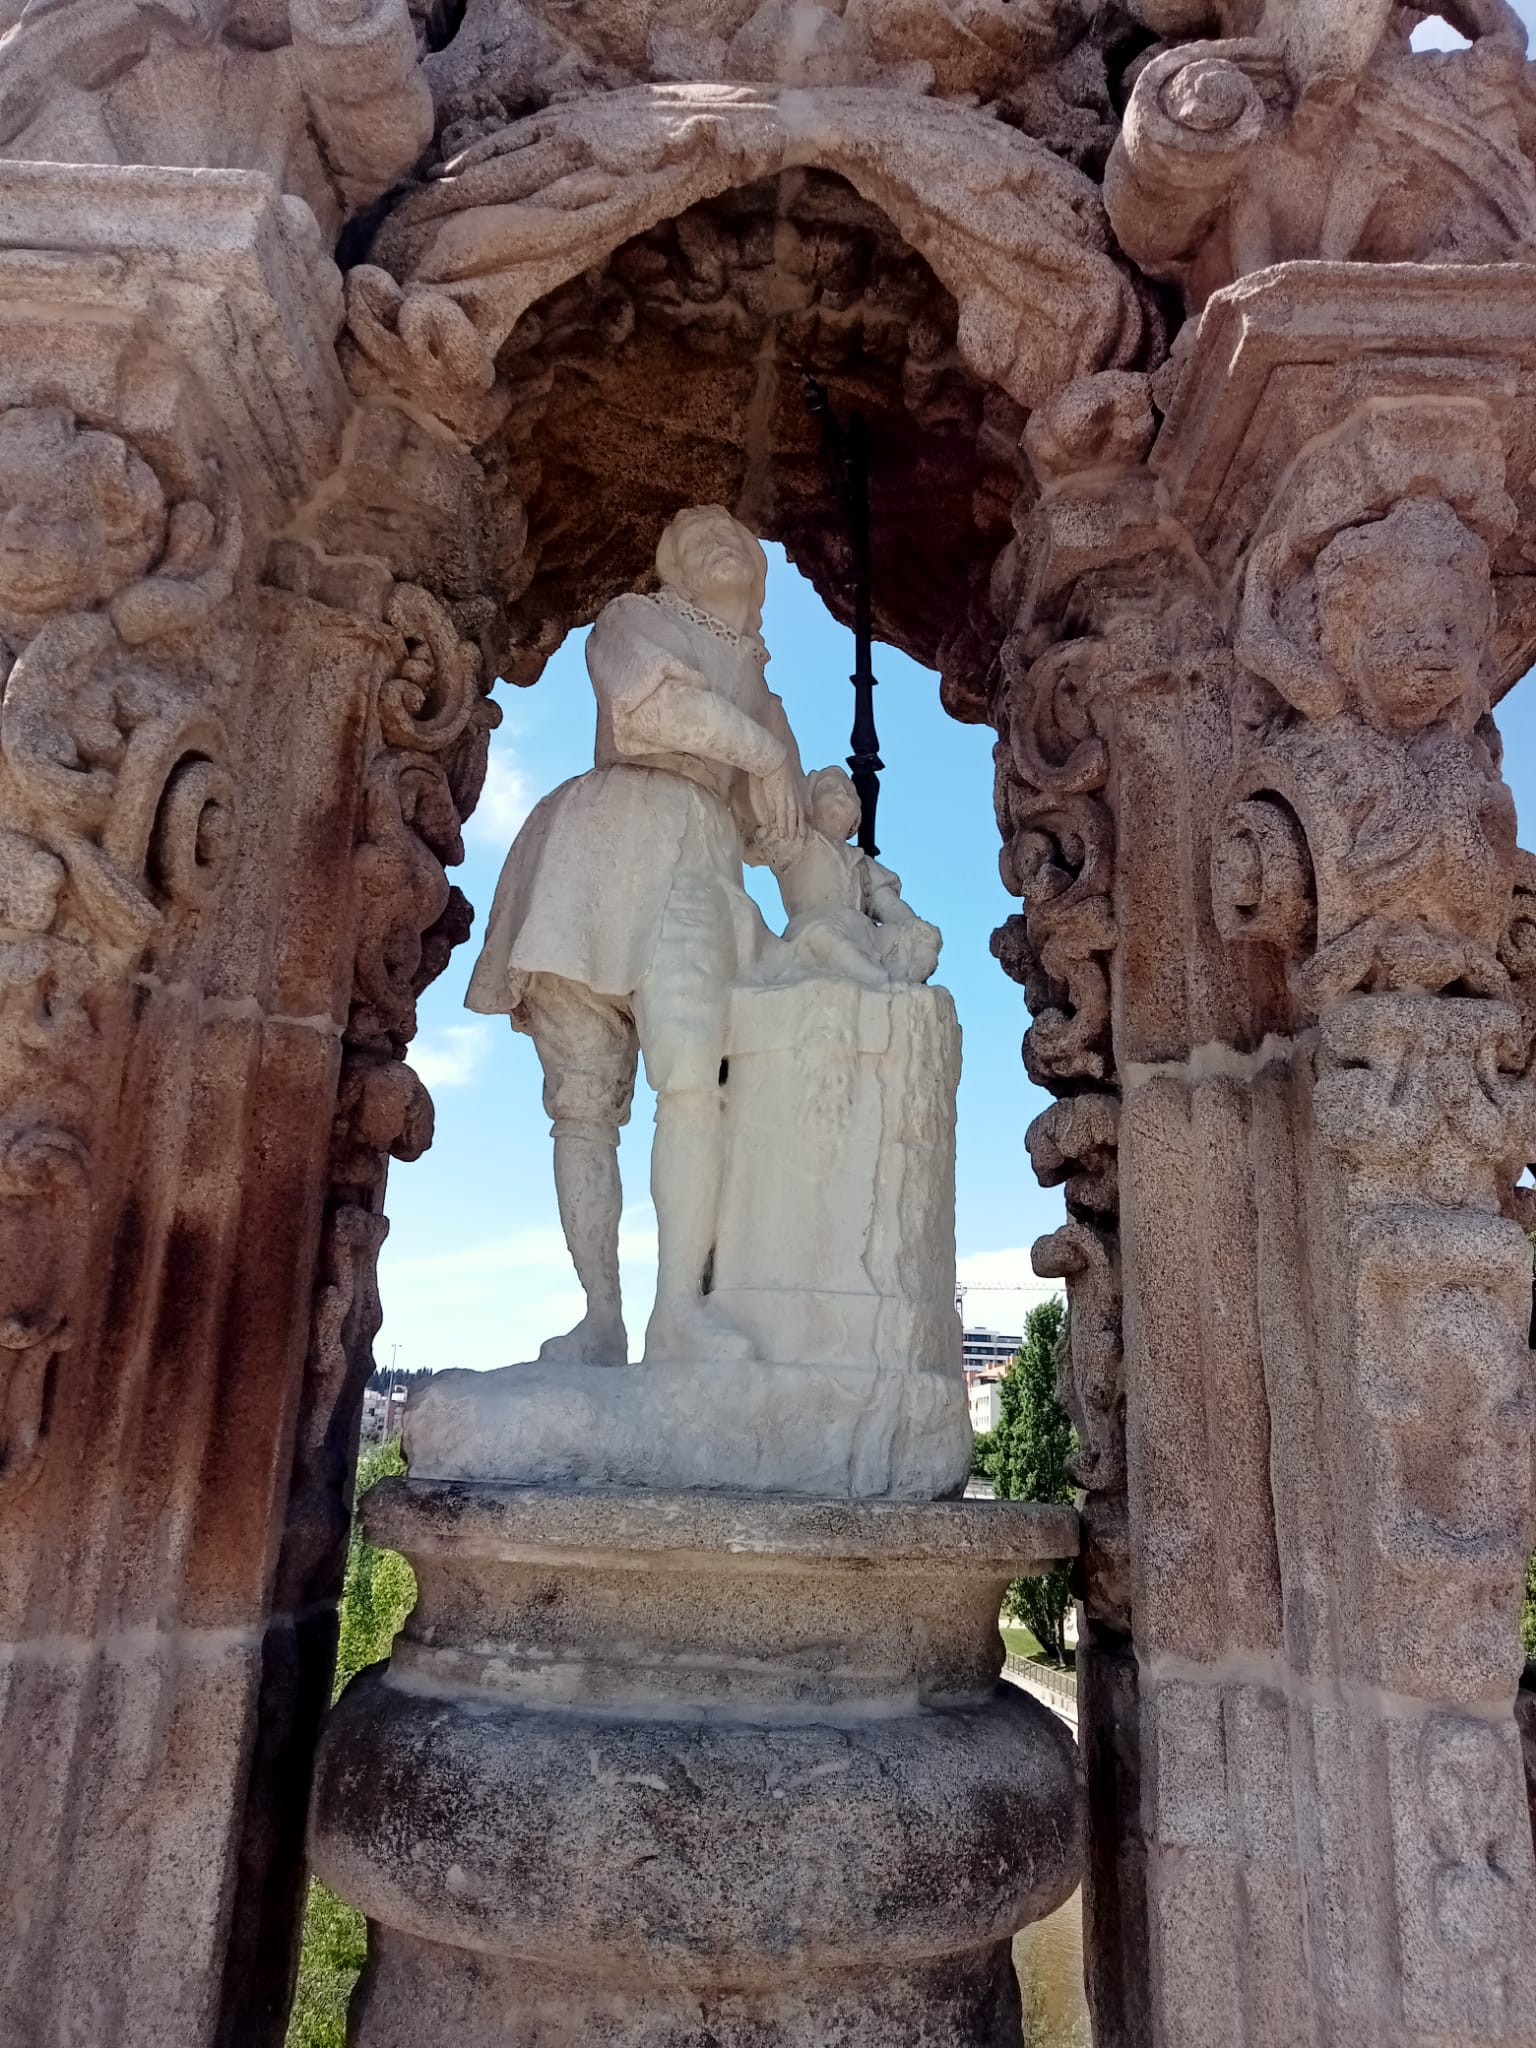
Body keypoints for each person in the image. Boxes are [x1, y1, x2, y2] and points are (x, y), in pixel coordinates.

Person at [465, 506, 807, 1365]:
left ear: (760, 576)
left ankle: (678, 1312)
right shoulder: (634, 618)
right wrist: (763, 757)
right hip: (597, 852)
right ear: (673, 570)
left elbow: (788, 837)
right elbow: (650, 710)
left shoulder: (762, 692)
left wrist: (845, 910)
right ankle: (600, 1316)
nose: (720, 544)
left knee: (693, 1084)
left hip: (699, 867)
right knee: (581, 1102)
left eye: (735, 539)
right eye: (695, 542)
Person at [757, 763, 941, 989]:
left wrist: (914, 930)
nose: (842, 792)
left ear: (857, 819)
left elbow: (887, 904)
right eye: (830, 787)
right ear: (807, 802)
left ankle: (901, 981)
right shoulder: (798, 842)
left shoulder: (862, 862)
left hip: (863, 932)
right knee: (824, 938)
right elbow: (771, 807)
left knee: (916, 937)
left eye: (850, 791)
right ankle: (880, 982)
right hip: (814, 927)